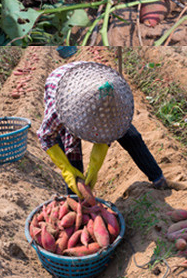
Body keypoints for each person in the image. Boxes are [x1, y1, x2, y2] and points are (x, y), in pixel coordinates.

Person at [38, 59, 169, 193]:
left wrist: (94, 167)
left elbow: (110, 130)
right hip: (62, 86)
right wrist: (66, 169)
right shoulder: (60, 108)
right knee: (71, 156)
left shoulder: (114, 95)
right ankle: (76, 201)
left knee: (131, 136)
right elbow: (46, 137)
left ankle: (158, 179)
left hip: (93, 82)